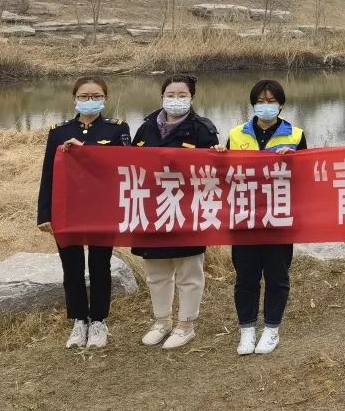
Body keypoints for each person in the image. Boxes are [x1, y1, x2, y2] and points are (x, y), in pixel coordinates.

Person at [36, 76, 131, 349]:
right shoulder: (59, 131)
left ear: (105, 98)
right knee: (72, 267)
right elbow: (48, 174)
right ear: (74, 98)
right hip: (68, 209)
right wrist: (45, 213)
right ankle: (79, 320)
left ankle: (99, 320)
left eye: (96, 95)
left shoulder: (117, 129)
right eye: (84, 96)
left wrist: (86, 151)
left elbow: (124, 166)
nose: (90, 100)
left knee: (100, 266)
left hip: (102, 209)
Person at [131, 75, 220, 349]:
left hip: (186, 208)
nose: (176, 99)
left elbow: (213, 173)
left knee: (188, 270)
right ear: (161, 96)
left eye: (182, 95)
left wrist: (219, 156)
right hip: (152, 208)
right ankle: (162, 321)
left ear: (191, 98)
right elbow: (129, 164)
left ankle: (186, 324)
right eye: (171, 94)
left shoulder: (202, 129)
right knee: (156, 270)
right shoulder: (146, 127)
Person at [225, 80, 307, 356]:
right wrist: (220, 158)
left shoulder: (295, 134)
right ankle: (247, 329)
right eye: (261, 100)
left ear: (281, 104)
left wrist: (295, 160)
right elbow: (225, 175)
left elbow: (309, 177)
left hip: (280, 216)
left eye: (272, 101)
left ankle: (272, 328)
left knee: (277, 274)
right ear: (253, 104)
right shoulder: (236, 134)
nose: (266, 105)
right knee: (245, 276)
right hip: (245, 216)